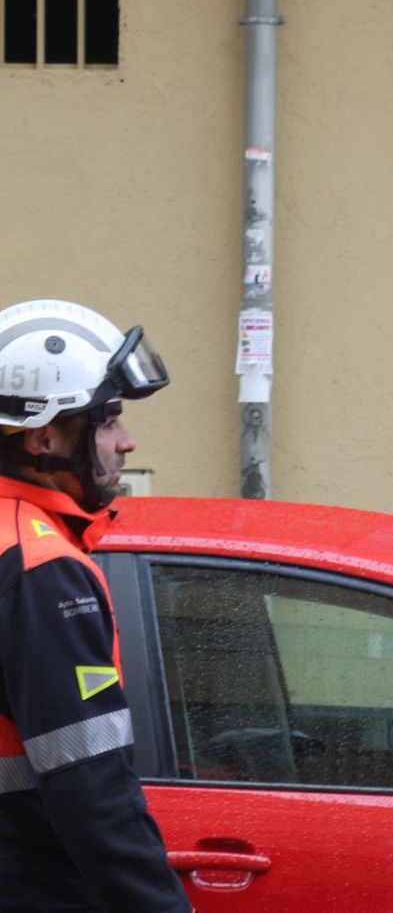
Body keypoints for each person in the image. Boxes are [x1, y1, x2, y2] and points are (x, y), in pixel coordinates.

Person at [0, 299, 191, 911]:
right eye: (109, 421)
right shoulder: (41, 569)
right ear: (45, 437)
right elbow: (92, 789)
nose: (127, 442)